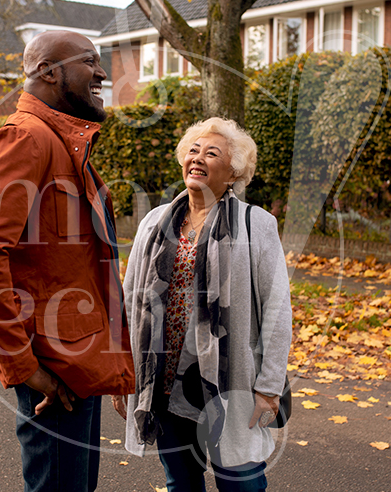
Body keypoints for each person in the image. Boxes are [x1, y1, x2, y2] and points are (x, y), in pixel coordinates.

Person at [0, 31, 134, 492]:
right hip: (54, 375)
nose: (102, 72)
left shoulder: (63, 145)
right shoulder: (25, 141)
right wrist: (24, 366)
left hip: (78, 366)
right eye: (90, 61)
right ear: (49, 72)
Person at [113, 117, 292, 491]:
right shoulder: (153, 222)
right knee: (181, 482)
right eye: (192, 150)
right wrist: (123, 376)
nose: (198, 158)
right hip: (163, 380)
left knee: (240, 481)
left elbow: (277, 307)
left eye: (211, 153)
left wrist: (269, 386)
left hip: (230, 383)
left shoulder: (254, 224)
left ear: (232, 173)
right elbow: (129, 302)